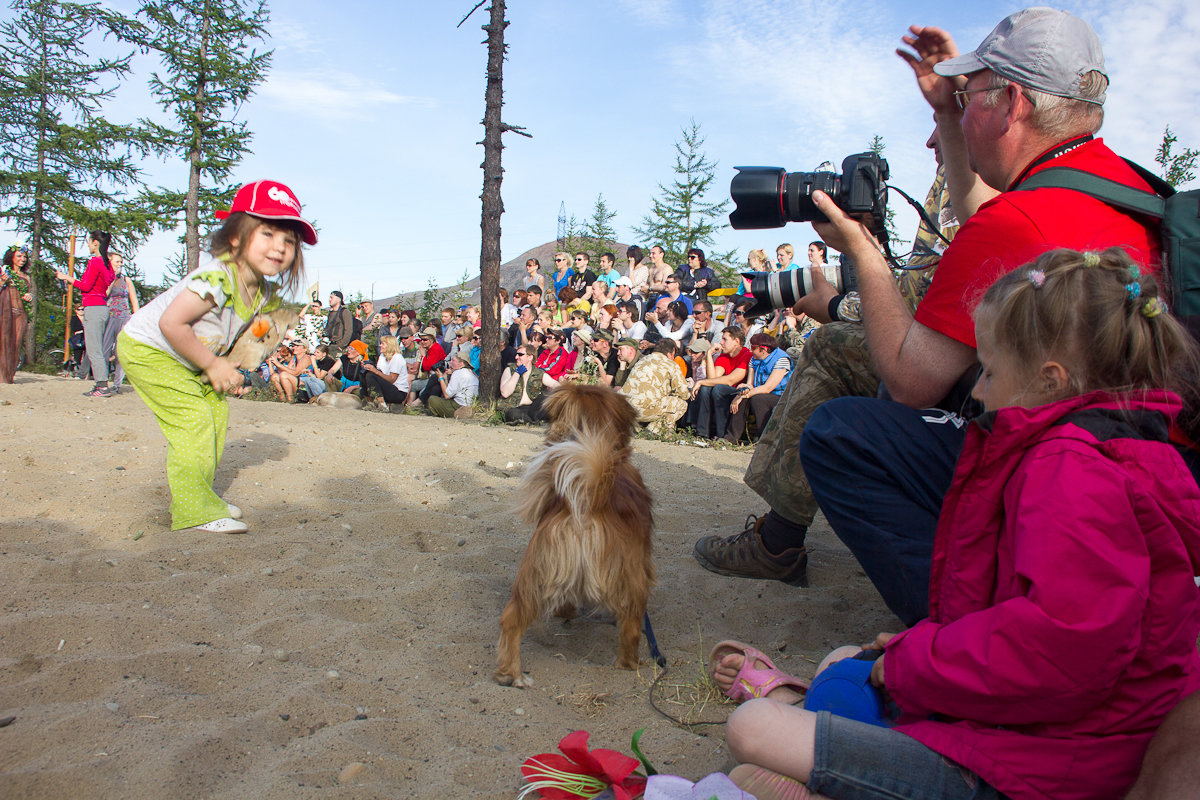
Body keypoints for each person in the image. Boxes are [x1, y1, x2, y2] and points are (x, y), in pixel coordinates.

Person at [696, 8, 1162, 620]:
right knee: (845, 352)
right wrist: (947, 113)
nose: (961, 115)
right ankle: (783, 541)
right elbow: (985, 217)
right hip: (1137, 458)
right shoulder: (1119, 185)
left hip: (1065, 475)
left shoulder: (1020, 221)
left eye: (970, 97)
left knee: (844, 432)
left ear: (1012, 101)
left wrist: (860, 248)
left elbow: (912, 381)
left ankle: (962, 625)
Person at [711, 248, 1200, 800]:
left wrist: (914, 663)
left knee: (752, 730)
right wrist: (925, 646)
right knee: (847, 660)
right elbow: (1032, 615)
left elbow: (1059, 649)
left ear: (1050, 380)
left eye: (989, 372)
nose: (978, 392)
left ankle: (804, 742)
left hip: (1039, 765)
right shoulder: (1124, 455)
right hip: (1057, 733)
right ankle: (811, 728)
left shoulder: (1070, 470)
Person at [117, 179, 314, 533]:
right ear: (236, 236)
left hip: (186, 354)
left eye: (289, 240)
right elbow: (171, 323)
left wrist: (234, 365)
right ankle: (195, 511)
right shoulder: (217, 277)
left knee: (215, 412)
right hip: (150, 349)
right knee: (194, 419)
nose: (280, 247)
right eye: (268, 233)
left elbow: (248, 335)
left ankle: (199, 495)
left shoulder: (262, 290)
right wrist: (211, 364)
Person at [57, 231, 115, 397]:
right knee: (97, 347)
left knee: (93, 348)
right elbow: (107, 281)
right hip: (102, 308)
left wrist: (67, 277)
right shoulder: (107, 264)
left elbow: (86, 286)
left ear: (95, 243)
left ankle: (102, 386)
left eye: (89, 242)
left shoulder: (95, 262)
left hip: (93, 308)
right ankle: (100, 384)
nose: (88, 245)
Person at [725, 333, 792, 444]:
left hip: (779, 395)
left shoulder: (781, 359)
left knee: (758, 399)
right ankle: (731, 437)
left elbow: (768, 388)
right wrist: (743, 391)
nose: (751, 351)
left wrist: (743, 396)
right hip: (760, 391)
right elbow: (750, 384)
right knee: (743, 397)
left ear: (763, 350)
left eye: (753, 348)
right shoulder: (754, 359)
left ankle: (764, 439)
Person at [687, 326, 751, 438]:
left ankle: (721, 434)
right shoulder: (724, 355)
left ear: (736, 341)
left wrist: (701, 382)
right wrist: (708, 355)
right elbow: (713, 379)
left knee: (717, 388)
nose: (721, 343)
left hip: (739, 392)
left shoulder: (747, 355)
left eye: (725, 339)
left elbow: (730, 380)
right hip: (723, 391)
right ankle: (702, 432)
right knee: (706, 388)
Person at [620, 338, 689, 435]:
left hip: (623, 407)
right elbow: (684, 393)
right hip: (643, 410)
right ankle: (654, 430)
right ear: (671, 352)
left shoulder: (641, 360)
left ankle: (635, 428)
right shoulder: (671, 364)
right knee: (681, 404)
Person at [100, 253, 139, 392]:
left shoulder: (126, 280)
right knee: (104, 351)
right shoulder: (105, 277)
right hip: (109, 317)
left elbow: (133, 299)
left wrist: (136, 316)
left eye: (121, 262)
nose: (120, 264)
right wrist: (111, 278)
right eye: (117, 262)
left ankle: (117, 384)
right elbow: (103, 294)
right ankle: (102, 381)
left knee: (120, 352)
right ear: (109, 262)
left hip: (124, 317)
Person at [1, 243, 33, 384]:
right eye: (19, 256)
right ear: (11, 257)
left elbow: (28, 293)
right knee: (4, 342)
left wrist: (29, 296)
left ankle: (10, 375)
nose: (22, 259)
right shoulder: (4, 272)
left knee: (16, 344)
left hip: (21, 314)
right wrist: (3, 280)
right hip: (6, 312)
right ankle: (1, 376)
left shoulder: (26, 277)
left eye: (24, 256)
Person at [498, 345, 552, 423]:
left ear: (530, 357)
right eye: (516, 354)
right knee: (512, 414)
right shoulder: (509, 370)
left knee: (544, 398)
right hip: (514, 408)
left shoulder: (539, 373)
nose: (516, 357)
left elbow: (557, 386)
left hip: (532, 408)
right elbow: (505, 393)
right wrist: (517, 374)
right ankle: (532, 421)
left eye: (520, 355)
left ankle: (533, 420)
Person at [428, 351, 478, 418]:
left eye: (453, 360)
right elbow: (450, 391)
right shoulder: (472, 374)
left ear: (461, 364)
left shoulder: (457, 373)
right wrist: (445, 379)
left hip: (459, 406)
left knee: (432, 399)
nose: (450, 362)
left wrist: (440, 378)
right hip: (471, 405)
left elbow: (447, 395)